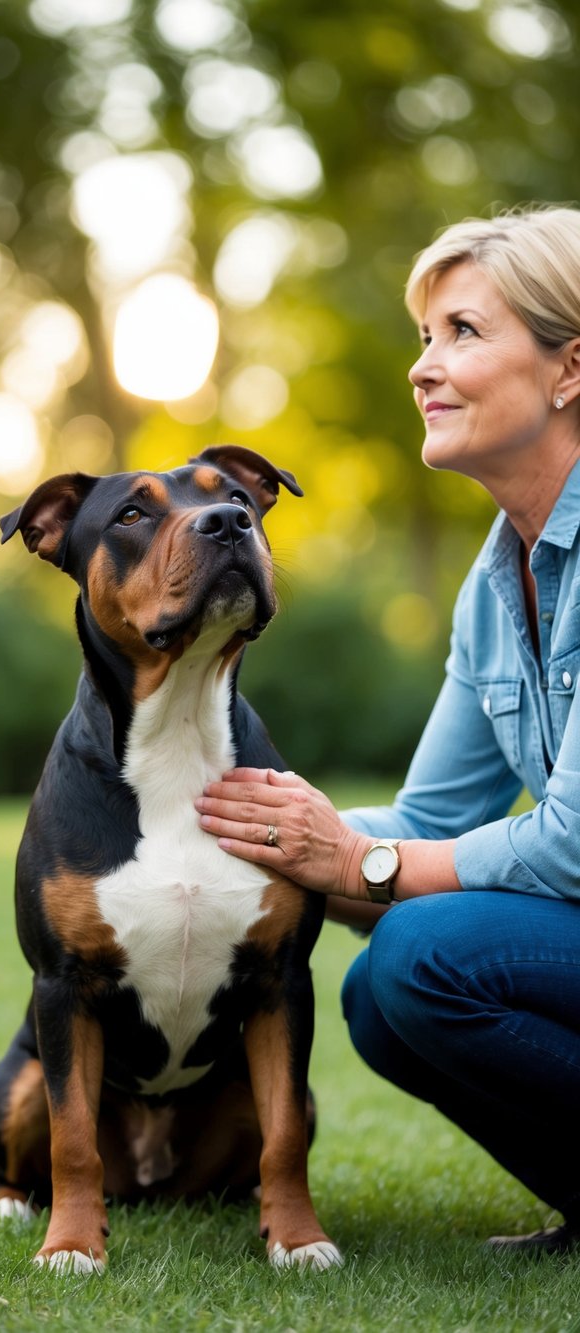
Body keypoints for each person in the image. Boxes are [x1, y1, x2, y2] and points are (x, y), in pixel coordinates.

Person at [194, 205, 580, 1254]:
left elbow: (571, 846)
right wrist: (223, 845)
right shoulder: (497, 581)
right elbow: (426, 818)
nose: (424, 366)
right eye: (424, 338)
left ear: (568, 370)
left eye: (463, 332)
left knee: (420, 956)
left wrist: (356, 861)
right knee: (387, 989)